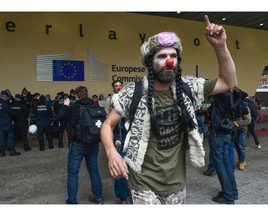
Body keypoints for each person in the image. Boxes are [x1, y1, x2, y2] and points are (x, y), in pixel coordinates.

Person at [100, 15, 237, 205]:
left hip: (176, 183)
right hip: (142, 183)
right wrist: (111, 153)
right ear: (150, 62)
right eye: (162, 56)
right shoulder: (134, 92)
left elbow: (228, 82)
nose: (169, 61)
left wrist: (220, 46)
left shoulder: (189, 87)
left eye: (173, 56)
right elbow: (107, 124)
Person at [57, 86, 104, 204]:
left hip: (78, 144)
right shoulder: (94, 106)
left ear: (76, 96)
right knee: (94, 170)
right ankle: (98, 197)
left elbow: (59, 116)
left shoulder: (73, 107)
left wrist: (65, 105)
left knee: (73, 173)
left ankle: (72, 201)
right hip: (93, 142)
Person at [204, 90, 239, 204]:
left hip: (218, 134)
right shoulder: (232, 97)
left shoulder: (220, 97)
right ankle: (233, 192)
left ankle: (228, 196)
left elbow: (204, 102)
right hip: (227, 133)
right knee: (226, 162)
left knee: (219, 164)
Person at [0, 91, 21, 157]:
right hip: (7, 124)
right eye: (7, 97)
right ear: (4, 97)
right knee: (10, 137)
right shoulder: (5, 104)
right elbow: (11, 113)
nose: (7, 98)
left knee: (1, 138)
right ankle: (12, 151)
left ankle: (2, 152)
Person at [233, 99, 251, 171]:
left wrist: (236, 122)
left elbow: (248, 120)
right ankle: (241, 160)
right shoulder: (232, 105)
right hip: (234, 131)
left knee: (241, 146)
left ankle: (241, 162)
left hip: (241, 130)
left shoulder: (244, 107)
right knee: (237, 146)